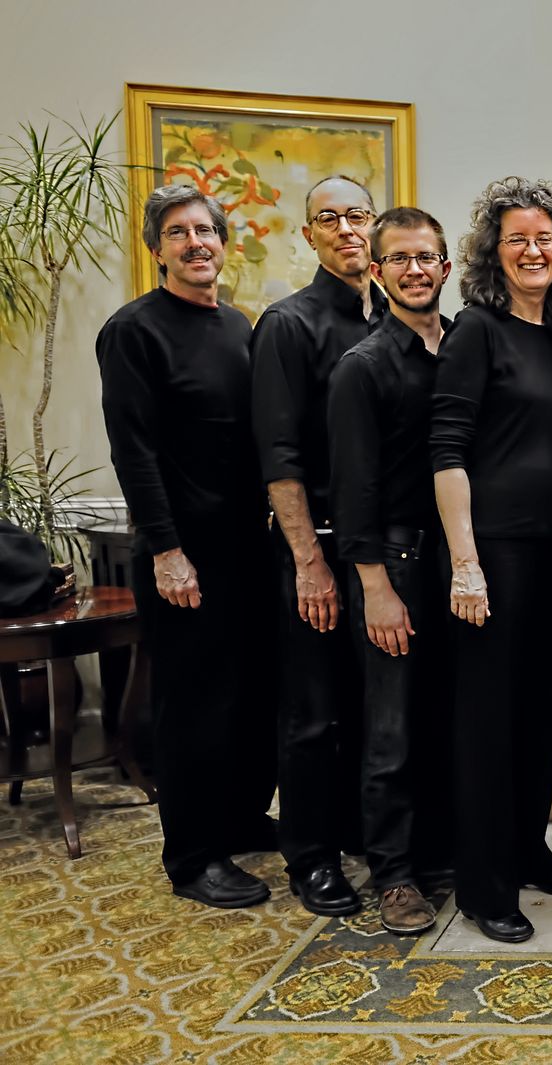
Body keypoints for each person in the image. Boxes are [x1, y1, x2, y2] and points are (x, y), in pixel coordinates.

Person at [96, 184, 275, 908]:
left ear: (223, 242)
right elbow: (132, 449)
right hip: (183, 555)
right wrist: (167, 550)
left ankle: (239, 819)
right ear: (156, 249)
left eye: (205, 230)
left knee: (248, 695)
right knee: (193, 705)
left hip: (246, 546)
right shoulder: (133, 330)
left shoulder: (237, 325)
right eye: (178, 232)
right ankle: (193, 857)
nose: (196, 242)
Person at [432, 177, 552, 944]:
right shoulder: (477, 331)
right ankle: (484, 882)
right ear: (492, 254)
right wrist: (465, 563)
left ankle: (528, 850)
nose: (534, 250)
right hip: (491, 554)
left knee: (537, 715)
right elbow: (447, 450)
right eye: (517, 239)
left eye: (545, 238)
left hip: (551, 551)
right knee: (488, 722)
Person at [252, 175, 387, 918]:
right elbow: (279, 459)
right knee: (314, 712)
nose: (346, 229)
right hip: (319, 546)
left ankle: (364, 833)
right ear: (308, 236)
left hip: (386, 549)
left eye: (357, 215)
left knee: (371, 707)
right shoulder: (288, 324)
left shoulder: (394, 318)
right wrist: (308, 563)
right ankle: (311, 857)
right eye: (329, 218)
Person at [326, 207, 454, 935]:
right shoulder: (363, 367)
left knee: (444, 715)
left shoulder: (464, 347)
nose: (414, 269)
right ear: (376, 272)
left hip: (456, 560)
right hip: (394, 564)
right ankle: (395, 875)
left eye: (425, 256)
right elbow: (353, 492)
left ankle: (440, 853)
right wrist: (374, 589)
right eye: (399, 258)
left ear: (445, 267)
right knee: (391, 726)